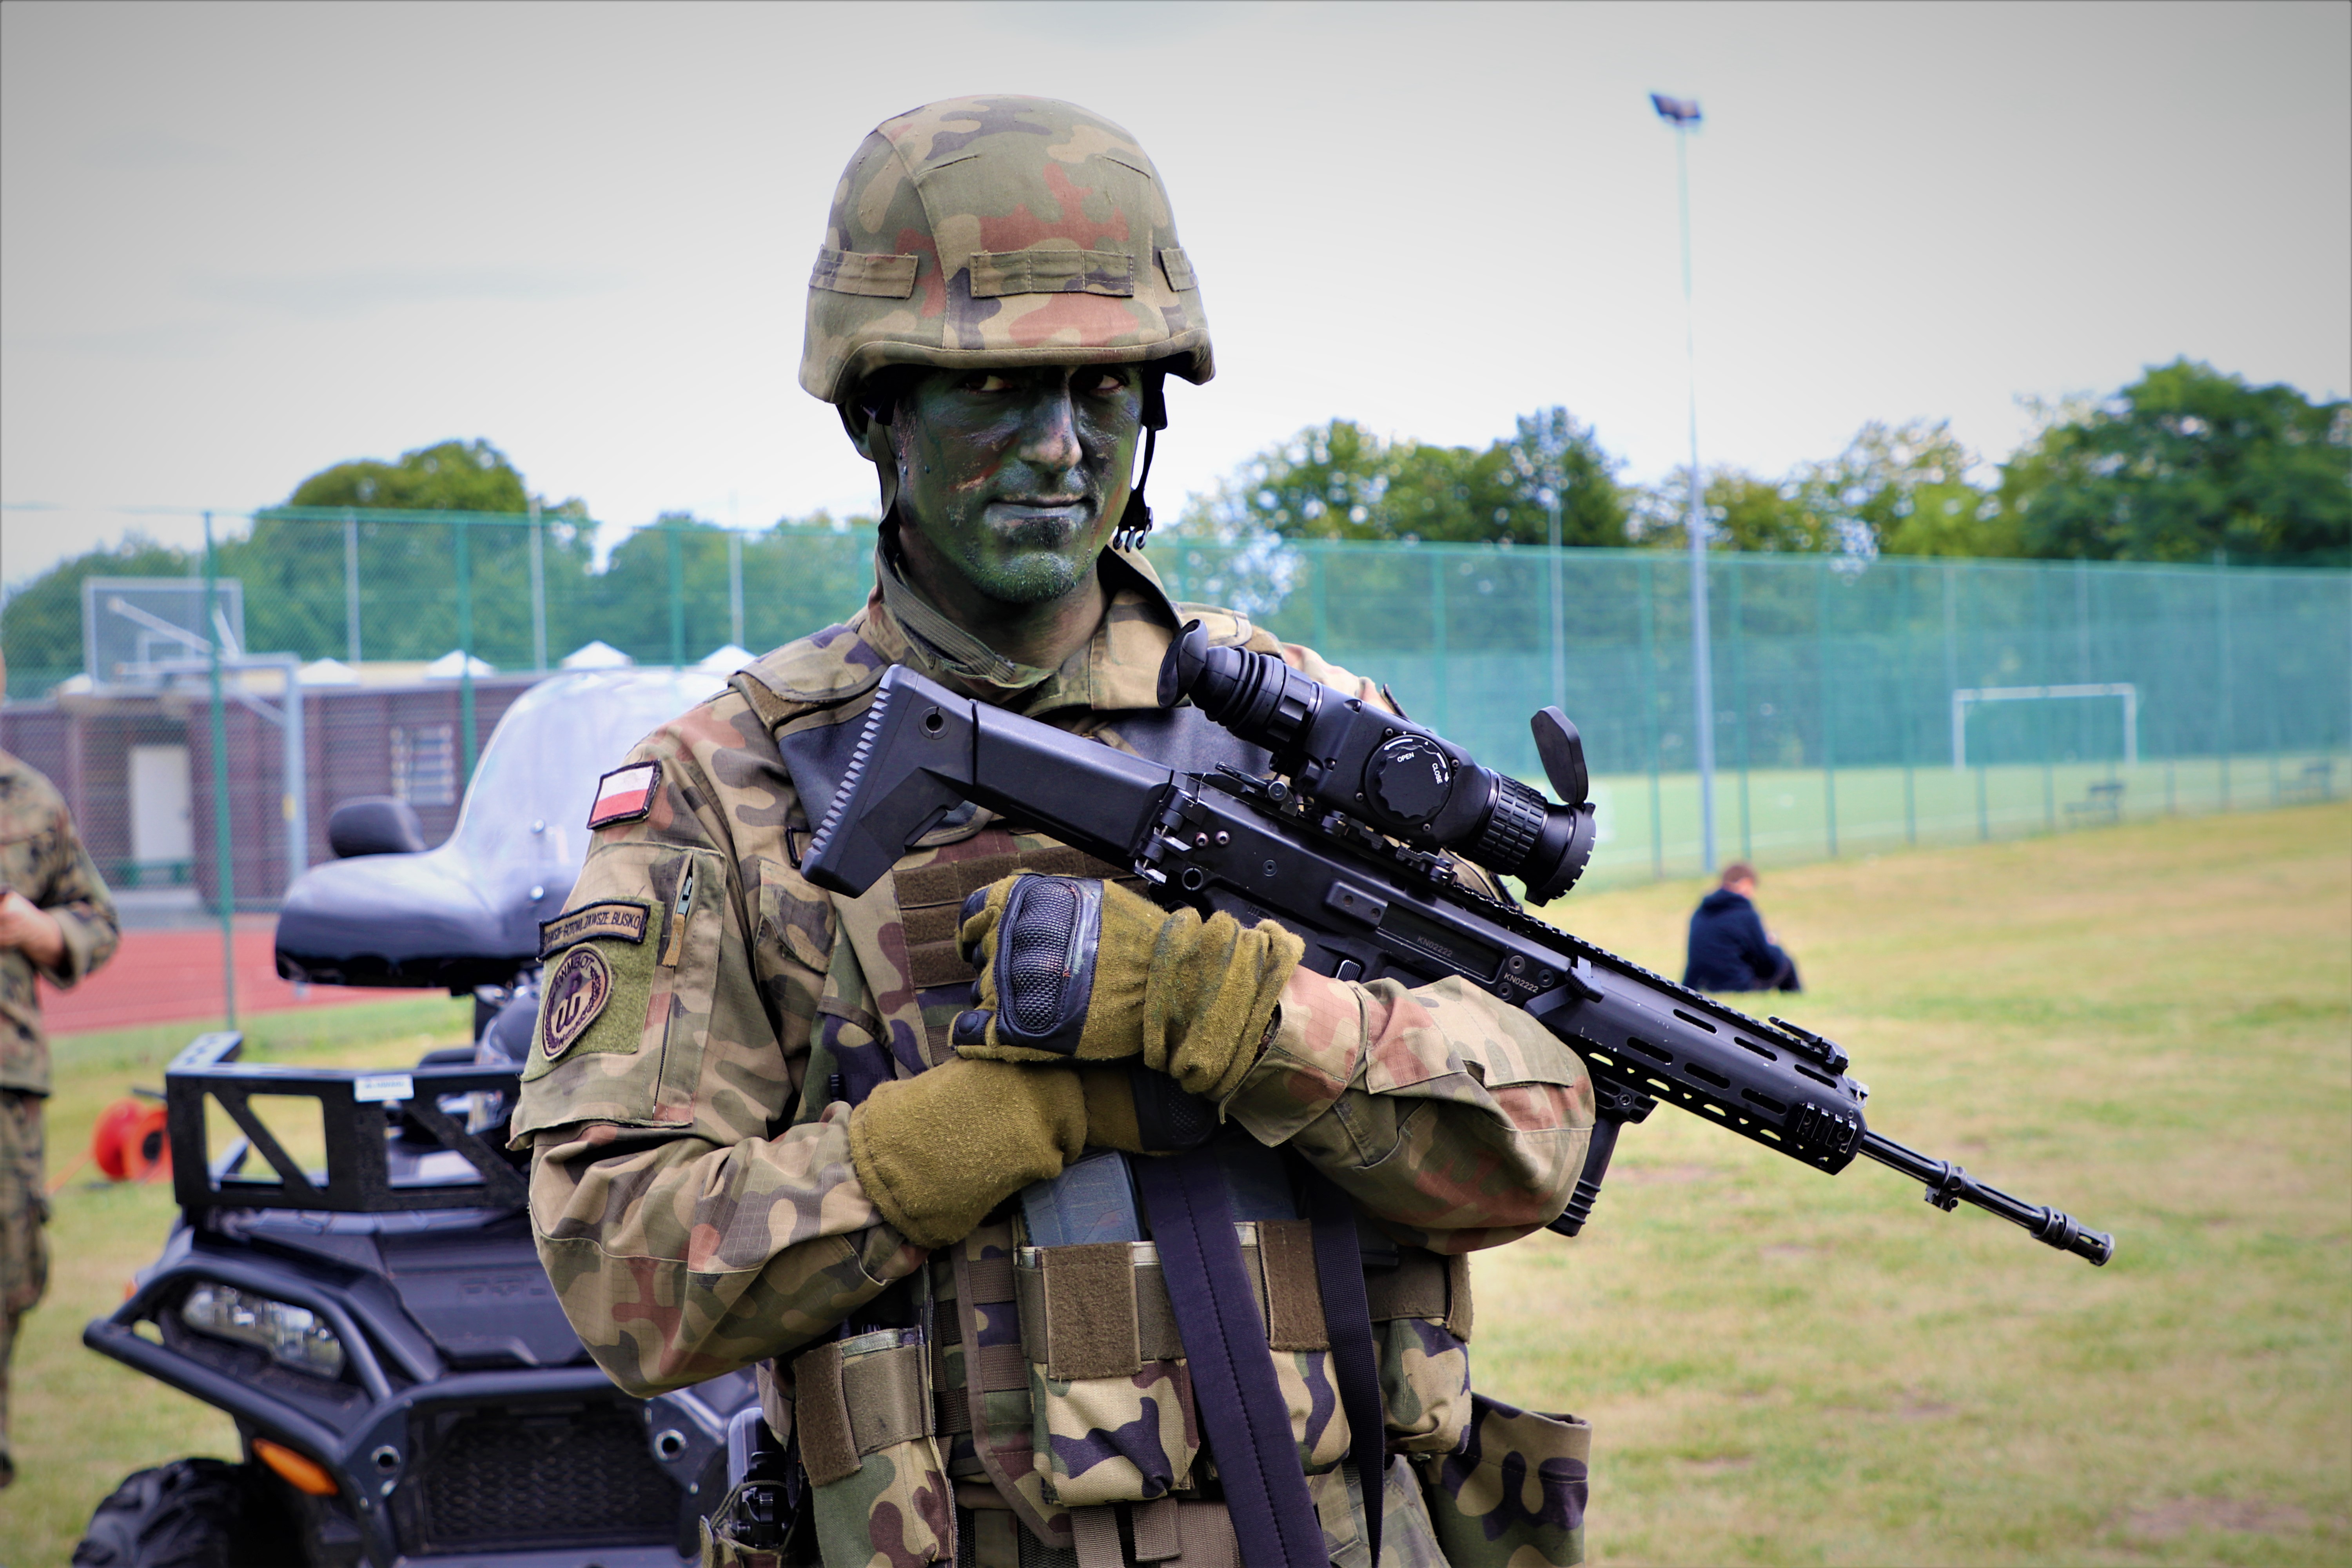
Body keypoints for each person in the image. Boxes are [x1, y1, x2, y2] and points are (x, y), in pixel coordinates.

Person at [515, 96, 1595, 1568]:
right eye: (995, 391)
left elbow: (1537, 1135)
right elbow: (623, 1271)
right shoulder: (733, 786)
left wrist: (1250, 1020)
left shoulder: (1308, 735)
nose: (1058, 445)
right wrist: (972, 1132)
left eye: (1104, 389)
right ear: (876, 411)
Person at [0, 650, 123, 1490]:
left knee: (10, 1266)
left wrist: (41, 931)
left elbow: (96, 918)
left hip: (6, 1085)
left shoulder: (32, 801)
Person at [1682, 862, 1800, 994]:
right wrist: (1774, 947)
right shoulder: (1745, 914)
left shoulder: (1700, 913)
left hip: (1702, 984)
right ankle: (1796, 1000)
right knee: (1786, 962)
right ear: (1746, 884)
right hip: (1736, 985)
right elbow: (1767, 961)